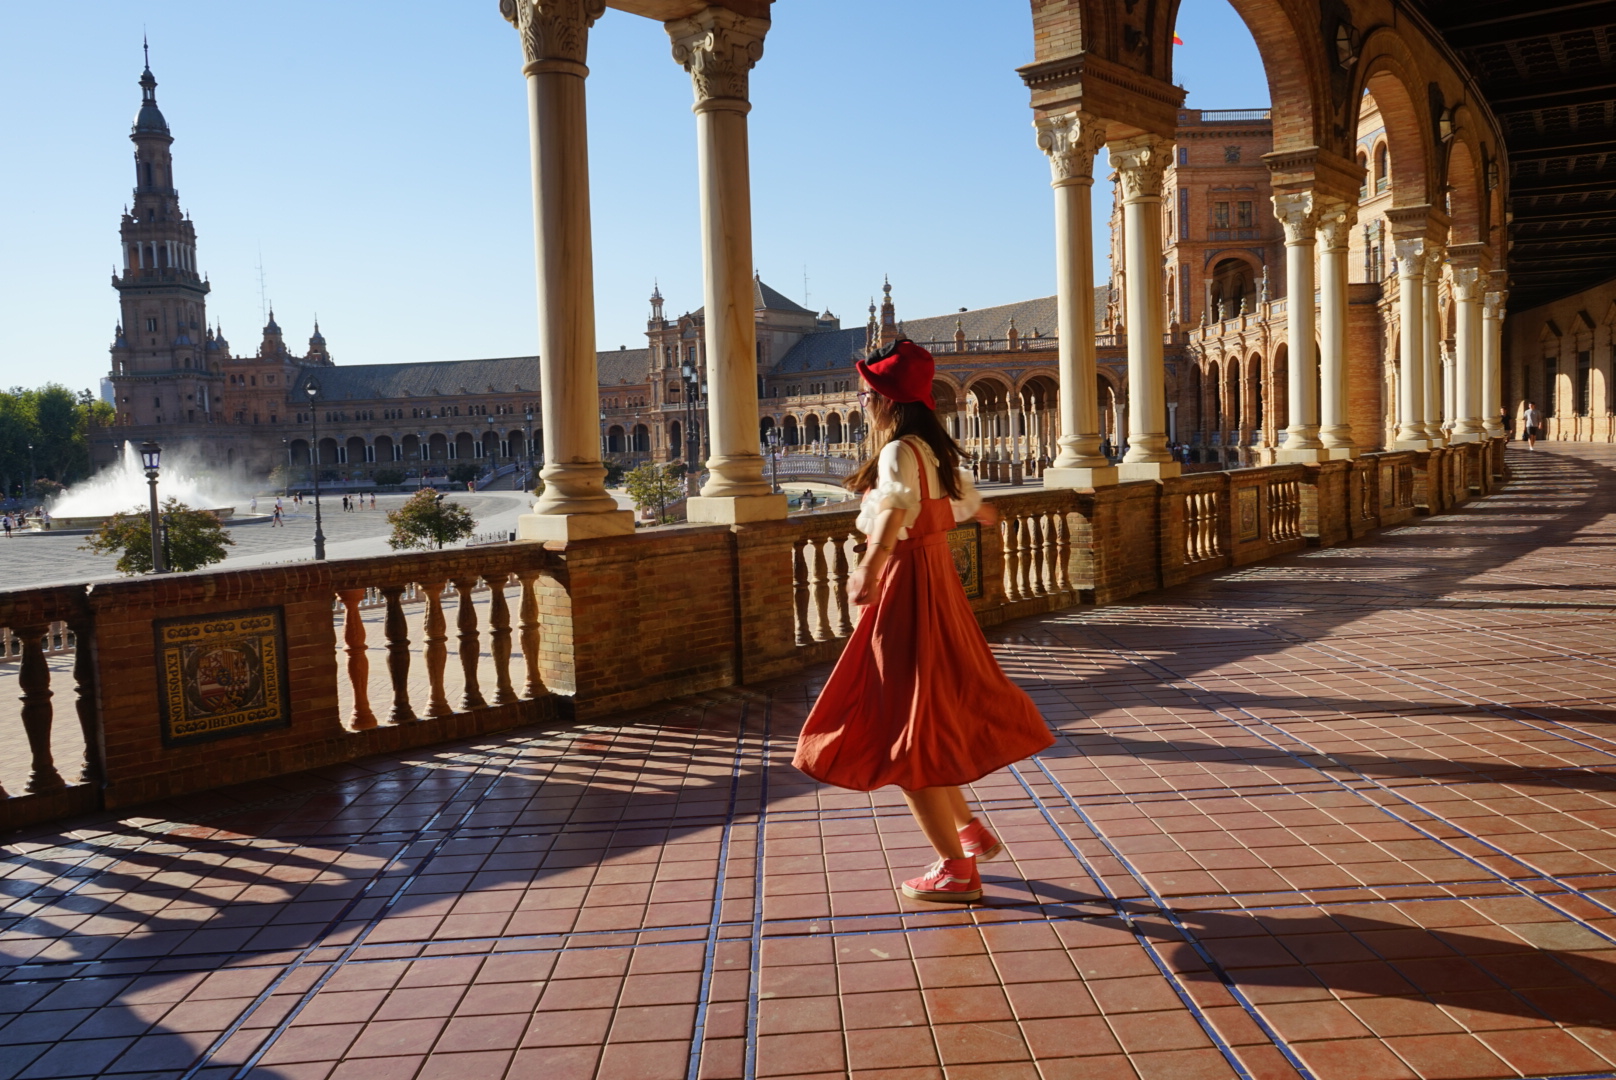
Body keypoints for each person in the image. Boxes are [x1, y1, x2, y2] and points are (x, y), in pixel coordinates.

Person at [793, 338, 1054, 903]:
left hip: (908, 587)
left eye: (867, 395)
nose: (861, 403)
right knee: (925, 715)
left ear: (889, 400)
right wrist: (979, 514)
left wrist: (868, 566)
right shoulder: (936, 454)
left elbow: (896, 508)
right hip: (937, 586)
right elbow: (972, 507)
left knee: (899, 732)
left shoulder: (897, 453)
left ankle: (956, 871)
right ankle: (967, 831)